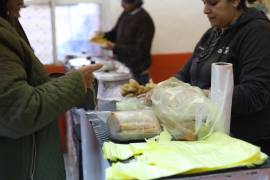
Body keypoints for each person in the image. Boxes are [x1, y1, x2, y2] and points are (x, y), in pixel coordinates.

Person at [0, 0, 102, 180]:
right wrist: (77, 81)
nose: (22, 3)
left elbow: (29, 87)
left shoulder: (9, 22)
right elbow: (18, 110)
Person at [175, 0, 270, 154]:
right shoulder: (212, 34)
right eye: (204, 2)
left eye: (212, 3)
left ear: (235, 1)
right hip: (211, 137)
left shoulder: (258, 32)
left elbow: (255, 93)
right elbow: (185, 73)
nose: (206, 10)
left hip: (246, 143)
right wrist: (164, 88)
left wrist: (206, 95)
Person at [102, 0, 155, 85]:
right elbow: (115, 32)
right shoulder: (125, 13)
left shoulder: (145, 20)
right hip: (123, 66)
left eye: (125, 3)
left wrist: (115, 47)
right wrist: (102, 36)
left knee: (137, 97)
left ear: (135, 3)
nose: (122, 5)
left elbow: (140, 50)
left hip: (138, 70)